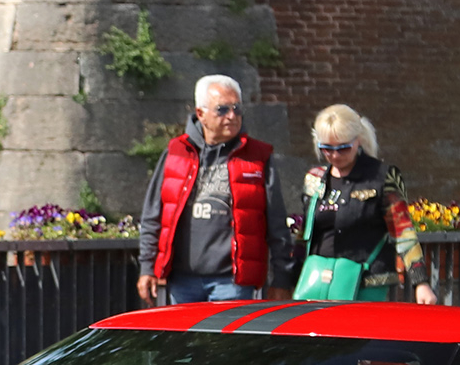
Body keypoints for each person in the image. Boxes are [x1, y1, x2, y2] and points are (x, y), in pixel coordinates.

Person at [137, 74, 291, 305]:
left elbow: (277, 223)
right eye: (222, 109)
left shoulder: (258, 156)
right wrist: (147, 267)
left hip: (233, 282)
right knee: (182, 342)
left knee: (227, 343)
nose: (232, 116)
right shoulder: (176, 151)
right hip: (180, 281)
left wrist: (281, 278)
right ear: (201, 114)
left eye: (237, 109)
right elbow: (153, 215)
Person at [297, 104, 435, 304]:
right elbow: (305, 234)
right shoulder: (314, 178)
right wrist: (290, 276)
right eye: (326, 148)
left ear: (358, 140)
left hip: (367, 282)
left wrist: (420, 282)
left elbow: (403, 231)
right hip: (318, 280)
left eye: (343, 148)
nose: (335, 155)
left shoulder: (383, 177)